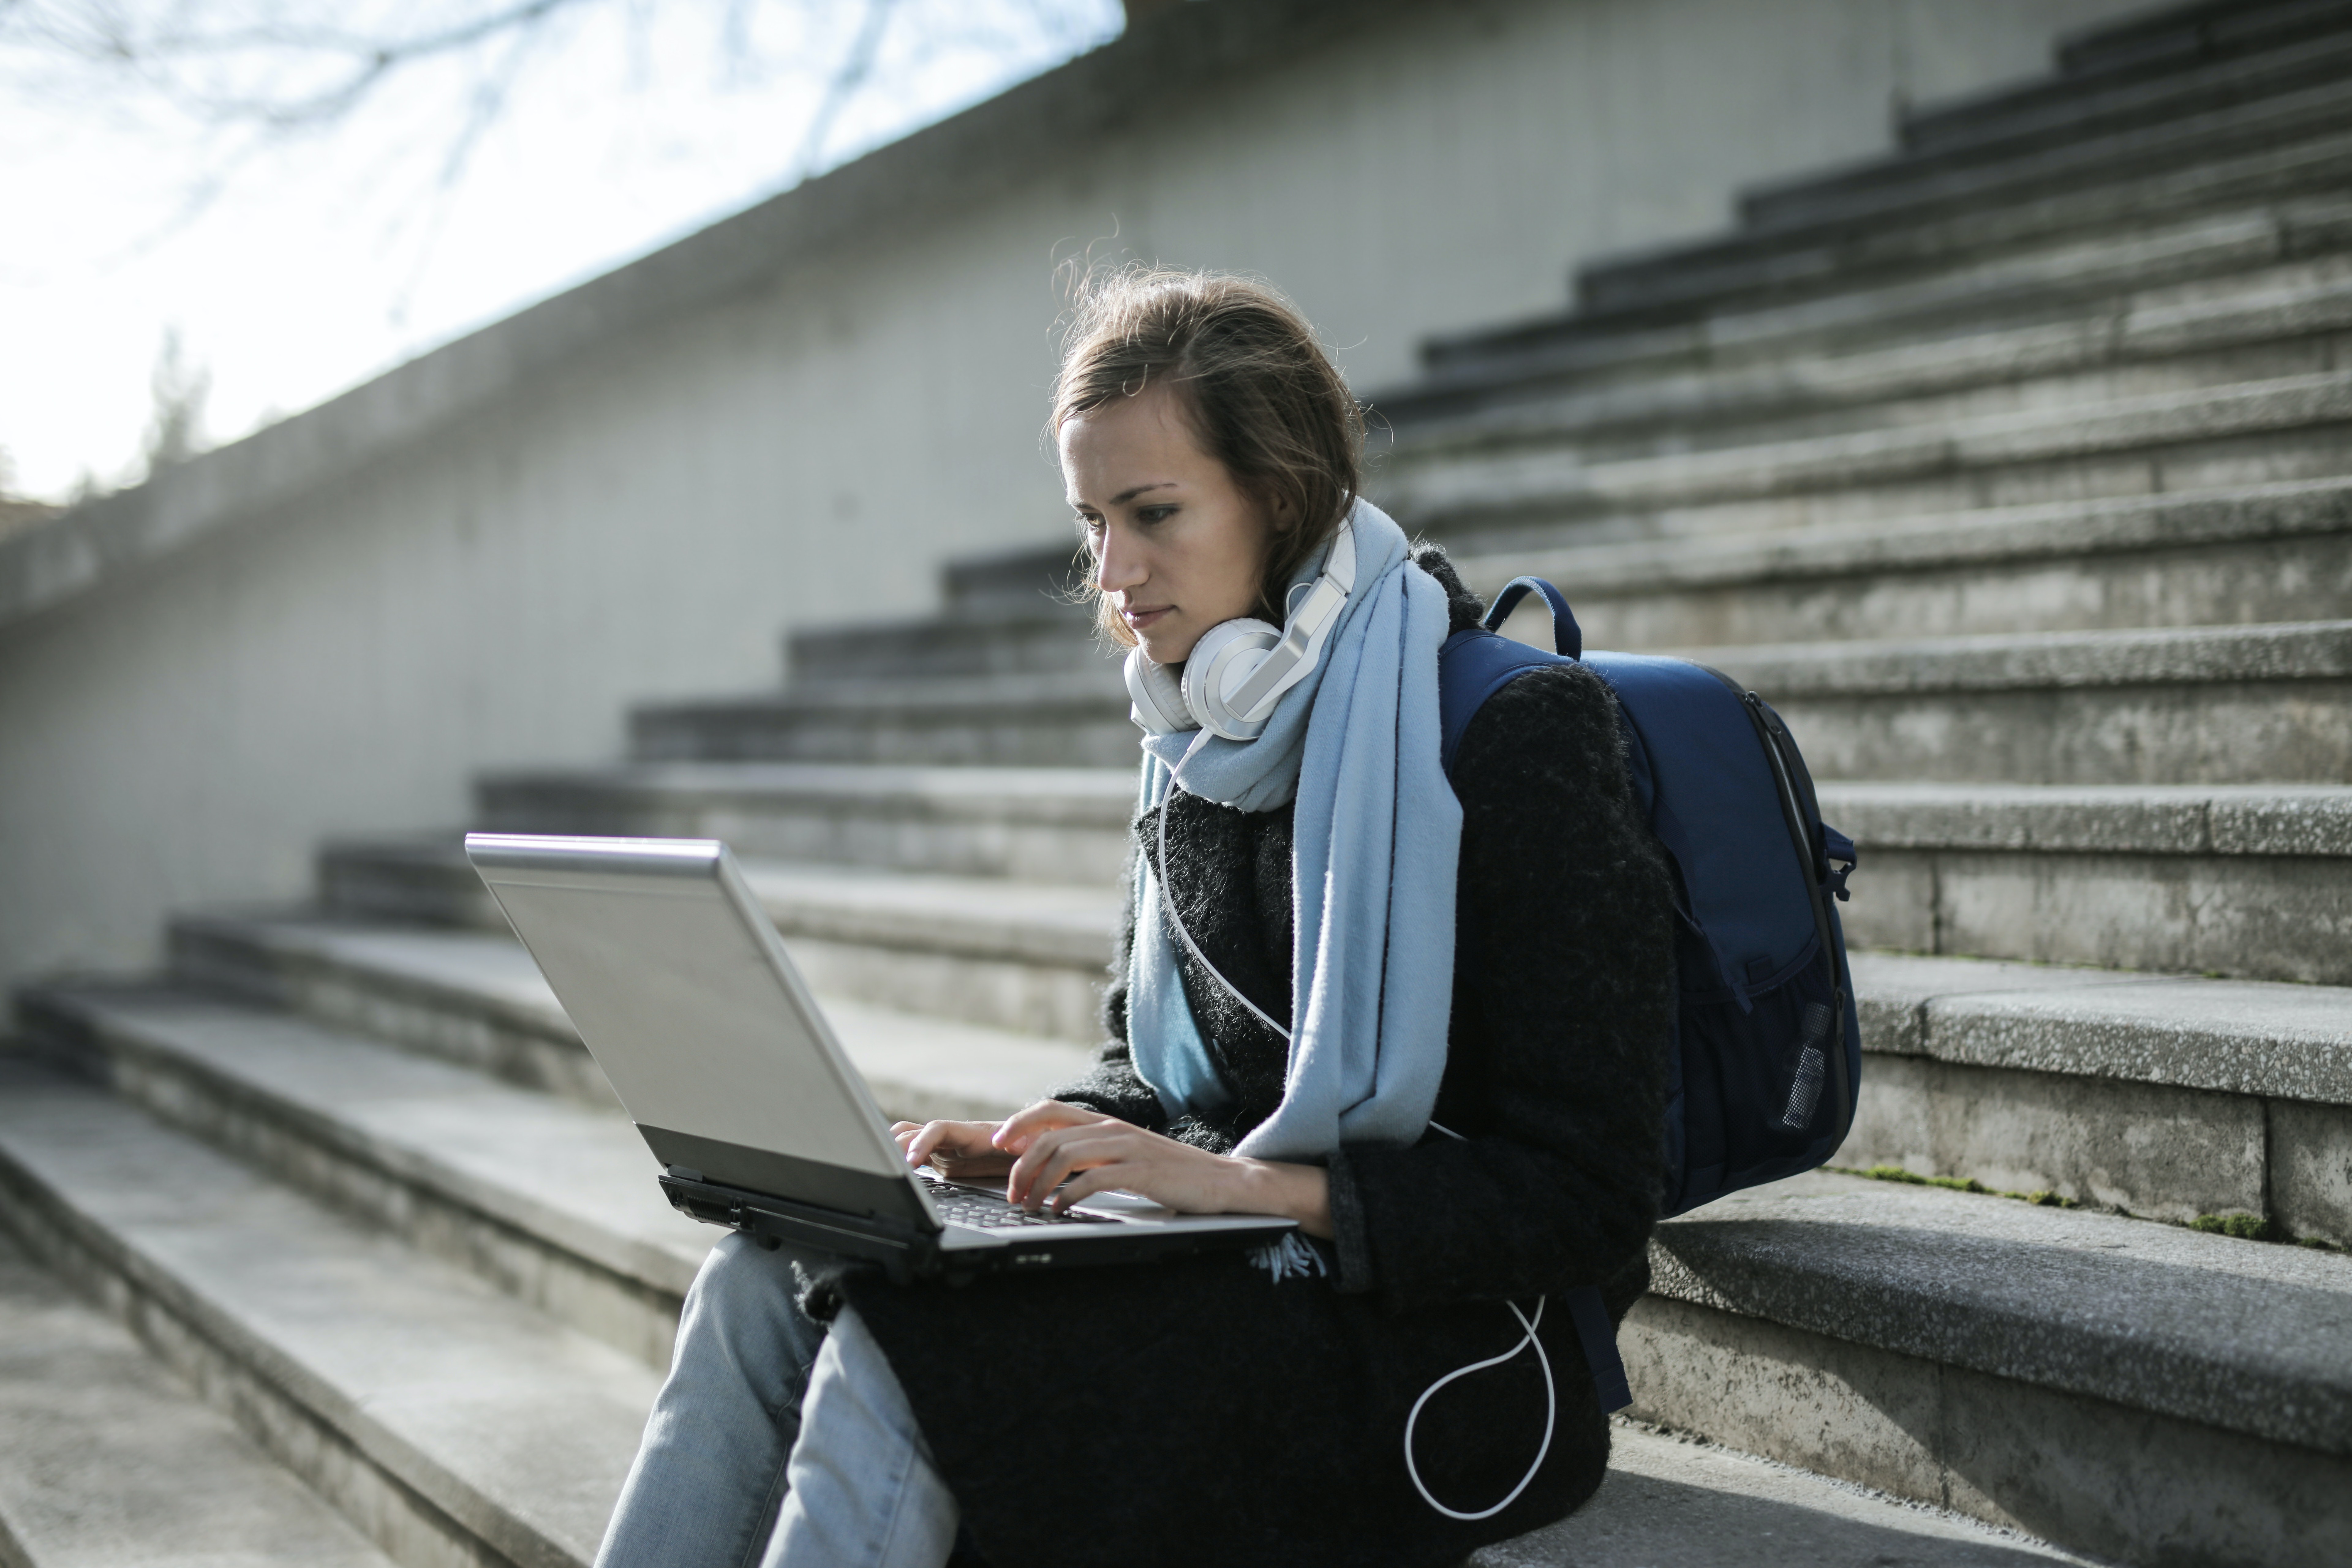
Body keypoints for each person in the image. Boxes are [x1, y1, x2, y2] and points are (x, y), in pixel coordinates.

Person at [593, 270, 1677, 1568]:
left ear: (1279, 498)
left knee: (915, 1344)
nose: (1114, 574)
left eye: (1153, 512)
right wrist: (1036, 1145)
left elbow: (1592, 1192)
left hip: (1448, 1333)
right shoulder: (1194, 732)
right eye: (1093, 520)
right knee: (760, 1277)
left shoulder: (1516, 733)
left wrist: (1241, 1185)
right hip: (1230, 1252)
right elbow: (1151, 1068)